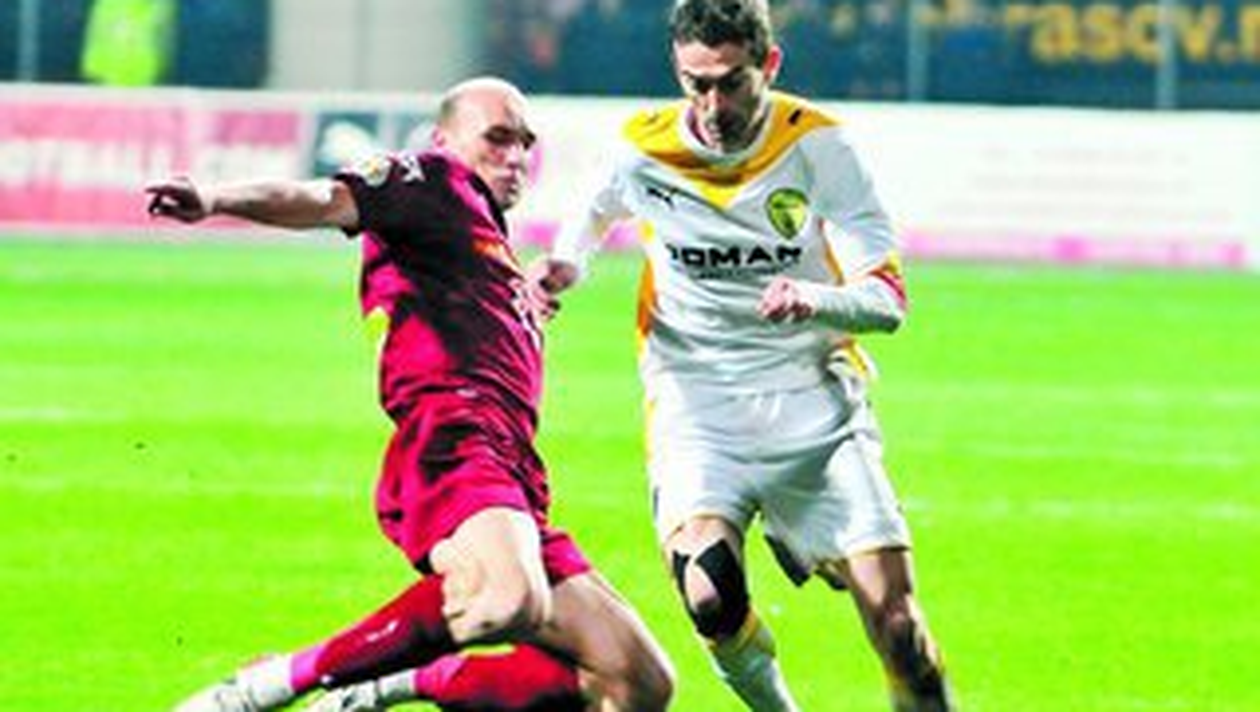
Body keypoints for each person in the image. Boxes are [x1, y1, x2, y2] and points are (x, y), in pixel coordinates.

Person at [147, 76, 674, 712]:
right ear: (444, 140)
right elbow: (320, 198)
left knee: (637, 682)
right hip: (453, 439)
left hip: (513, 471)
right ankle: (266, 687)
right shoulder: (428, 180)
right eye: (498, 138)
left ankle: (387, 682)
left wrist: (521, 303)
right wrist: (214, 197)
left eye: (524, 143)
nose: (515, 157)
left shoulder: (485, 242)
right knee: (505, 597)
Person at [530, 0, 955, 709]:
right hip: (697, 406)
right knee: (710, 594)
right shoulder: (643, 147)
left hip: (813, 401)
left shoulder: (818, 146)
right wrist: (567, 263)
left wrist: (814, 299)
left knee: (900, 630)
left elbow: (888, 303)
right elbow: (596, 209)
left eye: (731, 82)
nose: (712, 105)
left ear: (770, 65)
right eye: (696, 83)